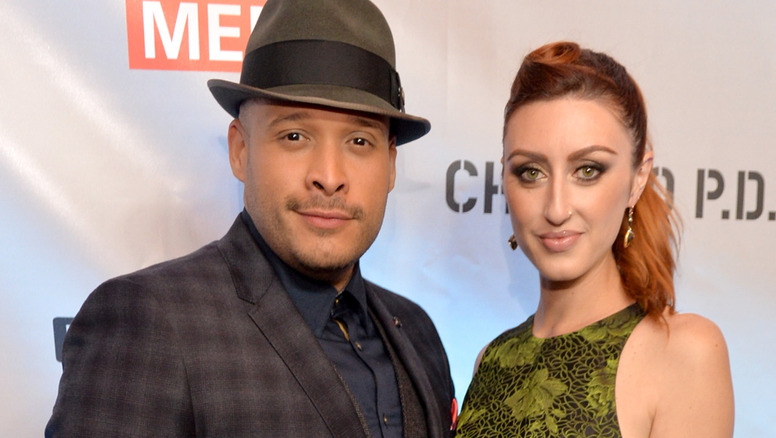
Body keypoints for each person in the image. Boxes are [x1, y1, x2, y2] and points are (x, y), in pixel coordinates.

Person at [46, 0, 456, 436]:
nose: (329, 177)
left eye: (359, 141)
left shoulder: (416, 329)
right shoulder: (149, 324)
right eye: (294, 136)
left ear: (390, 165)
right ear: (241, 151)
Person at [455, 41, 734, 438]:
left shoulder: (683, 352)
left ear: (638, 178)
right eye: (531, 172)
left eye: (587, 170)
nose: (556, 208)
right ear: (505, 178)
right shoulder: (491, 360)